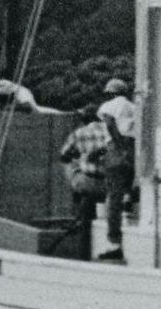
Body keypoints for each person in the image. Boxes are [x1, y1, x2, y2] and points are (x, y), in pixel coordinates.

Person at [58, 103, 113, 258]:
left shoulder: (79, 133)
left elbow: (64, 155)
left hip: (88, 183)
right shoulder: (110, 131)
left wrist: (79, 156)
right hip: (109, 184)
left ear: (84, 118)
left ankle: (76, 206)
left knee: (73, 169)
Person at [96, 76, 140, 248]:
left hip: (116, 149)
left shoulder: (108, 106)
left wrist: (119, 143)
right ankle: (130, 215)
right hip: (132, 149)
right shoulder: (134, 107)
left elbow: (109, 123)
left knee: (114, 195)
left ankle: (114, 237)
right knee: (129, 188)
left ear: (111, 93)